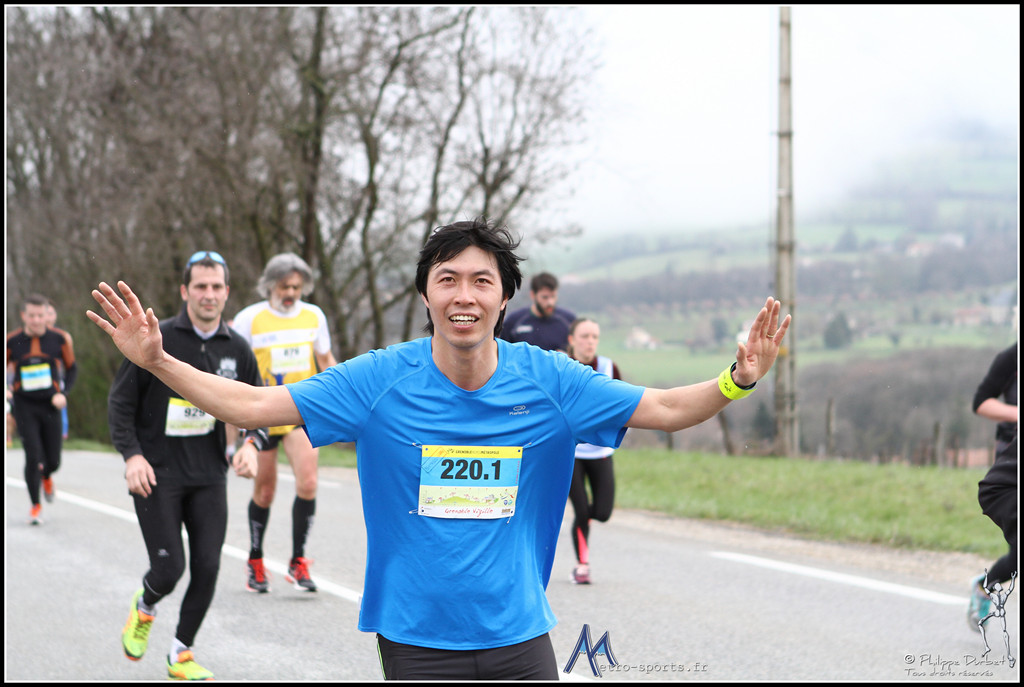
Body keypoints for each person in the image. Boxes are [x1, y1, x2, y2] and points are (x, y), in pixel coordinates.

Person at [88, 218, 790, 681]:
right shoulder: (379, 381)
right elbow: (253, 405)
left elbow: (664, 409)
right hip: (417, 641)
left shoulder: (550, 382)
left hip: (520, 636)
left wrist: (737, 379)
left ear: (504, 298)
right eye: (447, 279)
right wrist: (159, 362)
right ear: (427, 294)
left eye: (482, 280)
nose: (464, 295)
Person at [107, 250, 265, 681]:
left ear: (227, 292)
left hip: (209, 476)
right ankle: (145, 606)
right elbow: (120, 404)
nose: (208, 294)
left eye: (216, 287)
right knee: (169, 569)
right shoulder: (156, 339)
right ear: (184, 291)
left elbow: (259, 406)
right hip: (156, 474)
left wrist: (252, 444)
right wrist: (132, 455)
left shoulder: (237, 348)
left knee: (209, 567)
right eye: (200, 286)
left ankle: (181, 653)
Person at [230, 252, 338, 593]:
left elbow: (326, 360)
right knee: (265, 491)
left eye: (296, 287)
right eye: (284, 287)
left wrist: (344, 399)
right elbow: (232, 369)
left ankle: (298, 561)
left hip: (299, 412)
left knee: (308, 483)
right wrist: (233, 432)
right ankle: (256, 560)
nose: (290, 293)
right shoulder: (249, 319)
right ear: (269, 286)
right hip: (262, 414)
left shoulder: (313, 316)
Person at [6, 293, 77, 525]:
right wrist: (6, 390)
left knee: (53, 460)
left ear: (47, 315)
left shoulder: (59, 339)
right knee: (33, 455)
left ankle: (47, 475)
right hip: (24, 405)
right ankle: (35, 505)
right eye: (32, 315)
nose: (36, 320)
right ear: (23, 316)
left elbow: (72, 369)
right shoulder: (11, 341)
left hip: (50, 404)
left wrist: (63, 395)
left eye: (40, 315)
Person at [565, 317, 622, 585]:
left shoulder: (610, 368)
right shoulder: (561, 367)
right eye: (584, 336)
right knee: (582, 511)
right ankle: (582, 565)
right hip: (570, 454)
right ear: (572, 340)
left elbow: (625, 406)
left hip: (600, 453)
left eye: (594, 337)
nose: (590, 342)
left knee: (602, 512)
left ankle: (583, 519)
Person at [968, 342, 1017, 632]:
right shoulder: (1012, 357)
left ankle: (985, 585)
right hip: (1011, 463)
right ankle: (984, 587)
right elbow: (981, 402)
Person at [499, 271, 575, 351]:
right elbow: (503, 352)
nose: (550, 302)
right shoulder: (513, 321)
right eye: (545, 297)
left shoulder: (568, 320)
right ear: (533, 295)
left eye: (553, 296)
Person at [44, 299, 70, 440]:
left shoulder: (63, 336)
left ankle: (61, 433)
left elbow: (69, 362)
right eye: (45, 313)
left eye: (51, 313)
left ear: (55, 316)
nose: (48, 317)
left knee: (60, 406)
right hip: (38, 379)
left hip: (57, 378)